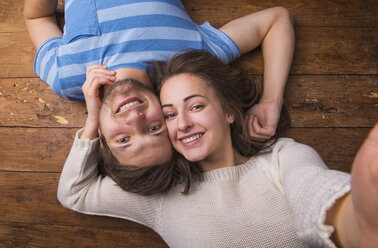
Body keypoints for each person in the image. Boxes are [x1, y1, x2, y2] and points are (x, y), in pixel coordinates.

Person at [57, 51, 378, 247]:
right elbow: (74, 193)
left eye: (195, 106)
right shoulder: (163, 197)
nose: (181, 124)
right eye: (168, 115)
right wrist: (92, 123)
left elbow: (315, 191)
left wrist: (357, 216)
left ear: (228, 111)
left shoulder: (282, 157)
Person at [24, 0, 295, 170]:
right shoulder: (189, 62)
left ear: (102, 140)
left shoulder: (67, 75)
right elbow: (277, 19)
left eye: (123, 139)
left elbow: (36, 17)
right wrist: (271, 100)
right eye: (154, 128)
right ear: (168, 119)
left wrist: (93, 120)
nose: (134, 119)